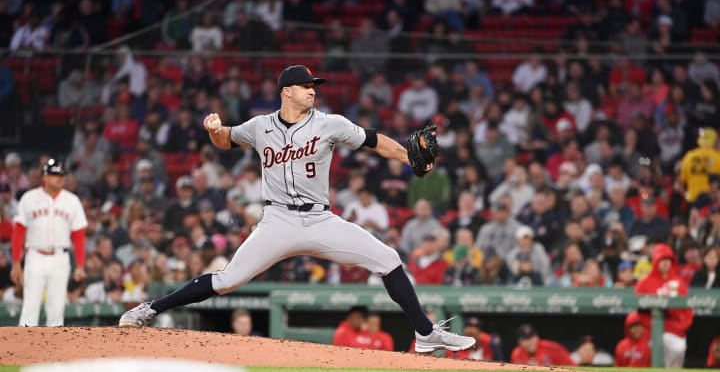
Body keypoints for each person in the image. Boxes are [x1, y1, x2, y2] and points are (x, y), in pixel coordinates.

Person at [119, 65, 475, 353]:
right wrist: (213, 130)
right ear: (286, 91)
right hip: (278, 220)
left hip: (320, 219)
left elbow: (373, 139)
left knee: (388, 259)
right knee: (227, 281)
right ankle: (150, 308)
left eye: (313, 86)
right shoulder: (261, 126)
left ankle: (426, 334)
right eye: (305, 85)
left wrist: (410, 159)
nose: (312, 90)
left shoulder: (329, 123)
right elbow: (226, 138)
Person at [10, 159, 87, 326]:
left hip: (60, 257)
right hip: (35, 256)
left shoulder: (72, 201)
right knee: (30, 306)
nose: (59, 178)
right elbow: (18, 233)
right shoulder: (29, 198)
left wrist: (80, 265)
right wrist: (16, 263)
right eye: (54, 174)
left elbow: (79, 236)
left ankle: (54, 350)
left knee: (56, 308)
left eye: (61, 174)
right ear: (44, 177)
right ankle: (23, 348)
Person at [635, 243, 694, 368]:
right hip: (652, 331)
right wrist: (652, 327)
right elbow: (640, 312)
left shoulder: (679, 282)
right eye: (662, 259)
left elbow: (688, 310)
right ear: (656, 261)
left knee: (678, 350)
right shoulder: (645, 283)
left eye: (668, 260)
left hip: (676, 331)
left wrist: (680, 327)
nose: (665, 263)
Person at [679, 128, 720, 203]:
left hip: (692, 200)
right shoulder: (718, 157)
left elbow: (680, 183)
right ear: (715, 141)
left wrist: (686, 196)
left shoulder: (689, 156)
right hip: (711, 201)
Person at [510, 323, 576, 366]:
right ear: (519, 342)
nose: (530, 342)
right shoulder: (516, 353)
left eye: (531, 337)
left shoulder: (552, 348)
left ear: (537, 337)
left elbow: (572, 367)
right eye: (526, 339)